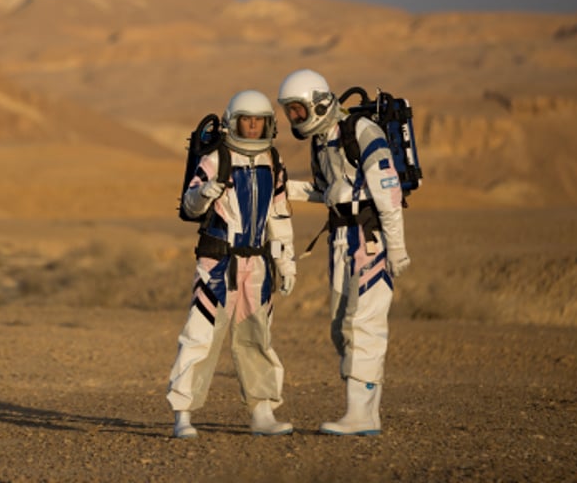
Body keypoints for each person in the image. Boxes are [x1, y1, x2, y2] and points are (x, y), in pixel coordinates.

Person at [276, 69, 411, 436]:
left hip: (368, 237)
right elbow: (328, 190)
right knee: (341, 328)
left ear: (318, 103)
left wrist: (396, 247)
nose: (295, 119)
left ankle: (359, 414)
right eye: (290, 112)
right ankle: (367, 413)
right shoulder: (321, 142)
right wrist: (286, 187)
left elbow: (388, 192)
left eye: (299, 111)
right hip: (339, 239)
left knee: (362, 323)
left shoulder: (362, 132)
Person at [166, 89, 297, 439]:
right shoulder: (215, 158)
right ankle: (184, 413)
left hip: (258, 264)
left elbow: (279, 213)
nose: (253, 127)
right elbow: (191, 205)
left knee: (257, 337)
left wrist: (286, 261)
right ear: (232, 122)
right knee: (201, 335)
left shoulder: (273, 159)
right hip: (217, 263)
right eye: (247, 121)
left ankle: (263, 411)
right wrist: (204, 192)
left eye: (259, 121)